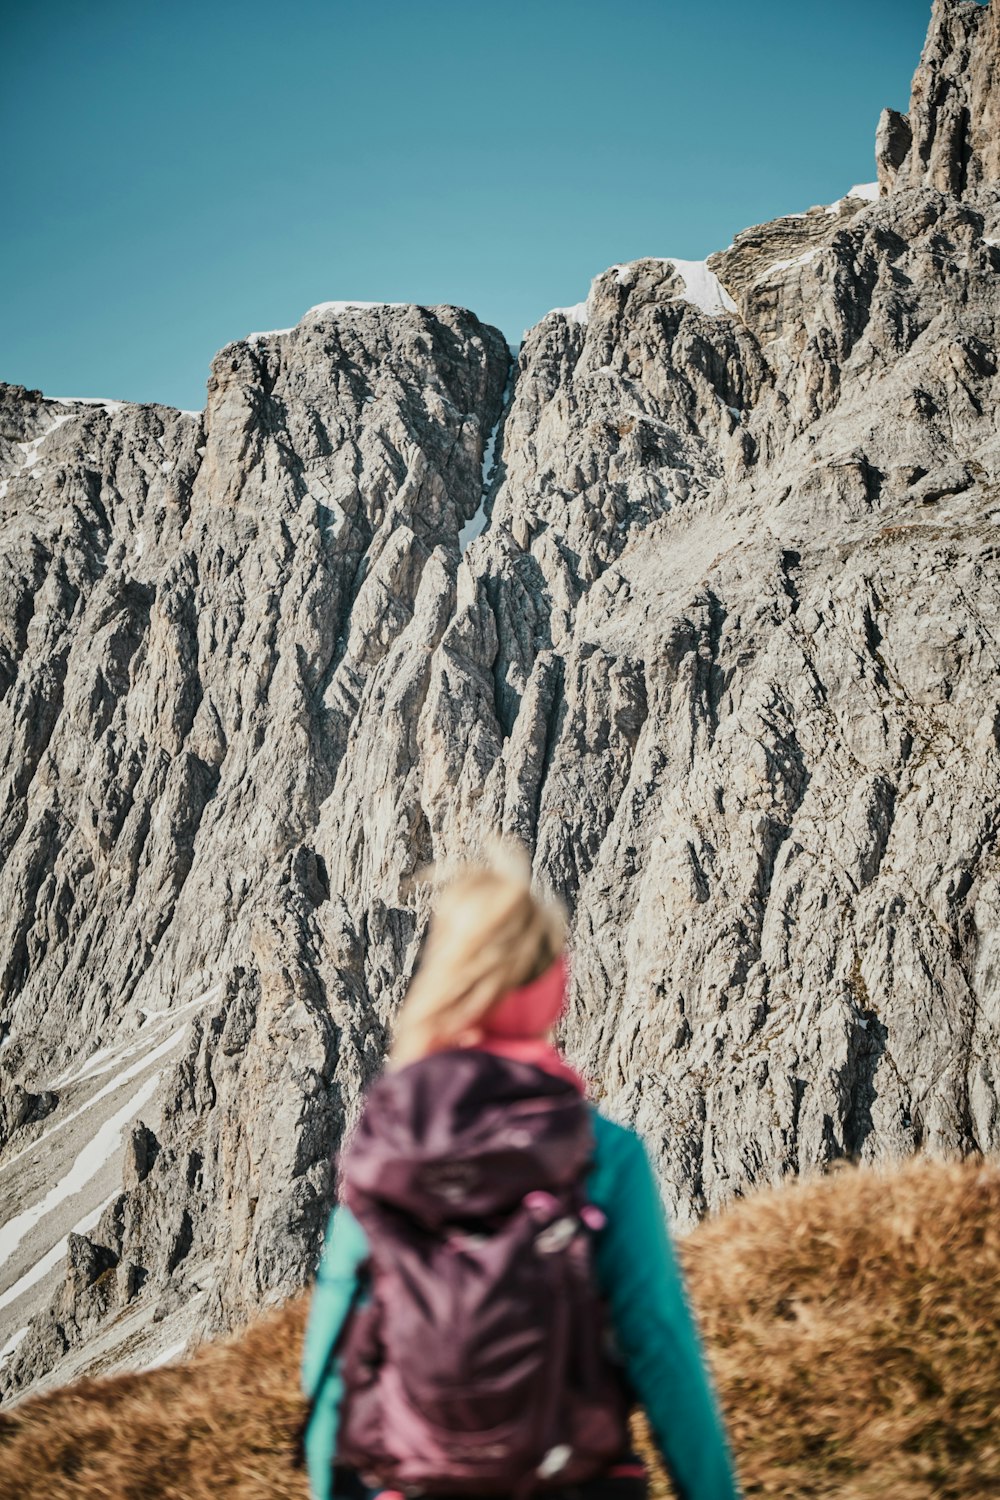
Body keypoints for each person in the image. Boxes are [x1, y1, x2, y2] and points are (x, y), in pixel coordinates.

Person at [301, 854, 741, 1500]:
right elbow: (660, 1343)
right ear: (551, 988)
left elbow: (332, 1364)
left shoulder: (385, 1152)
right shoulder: (601, 1152)